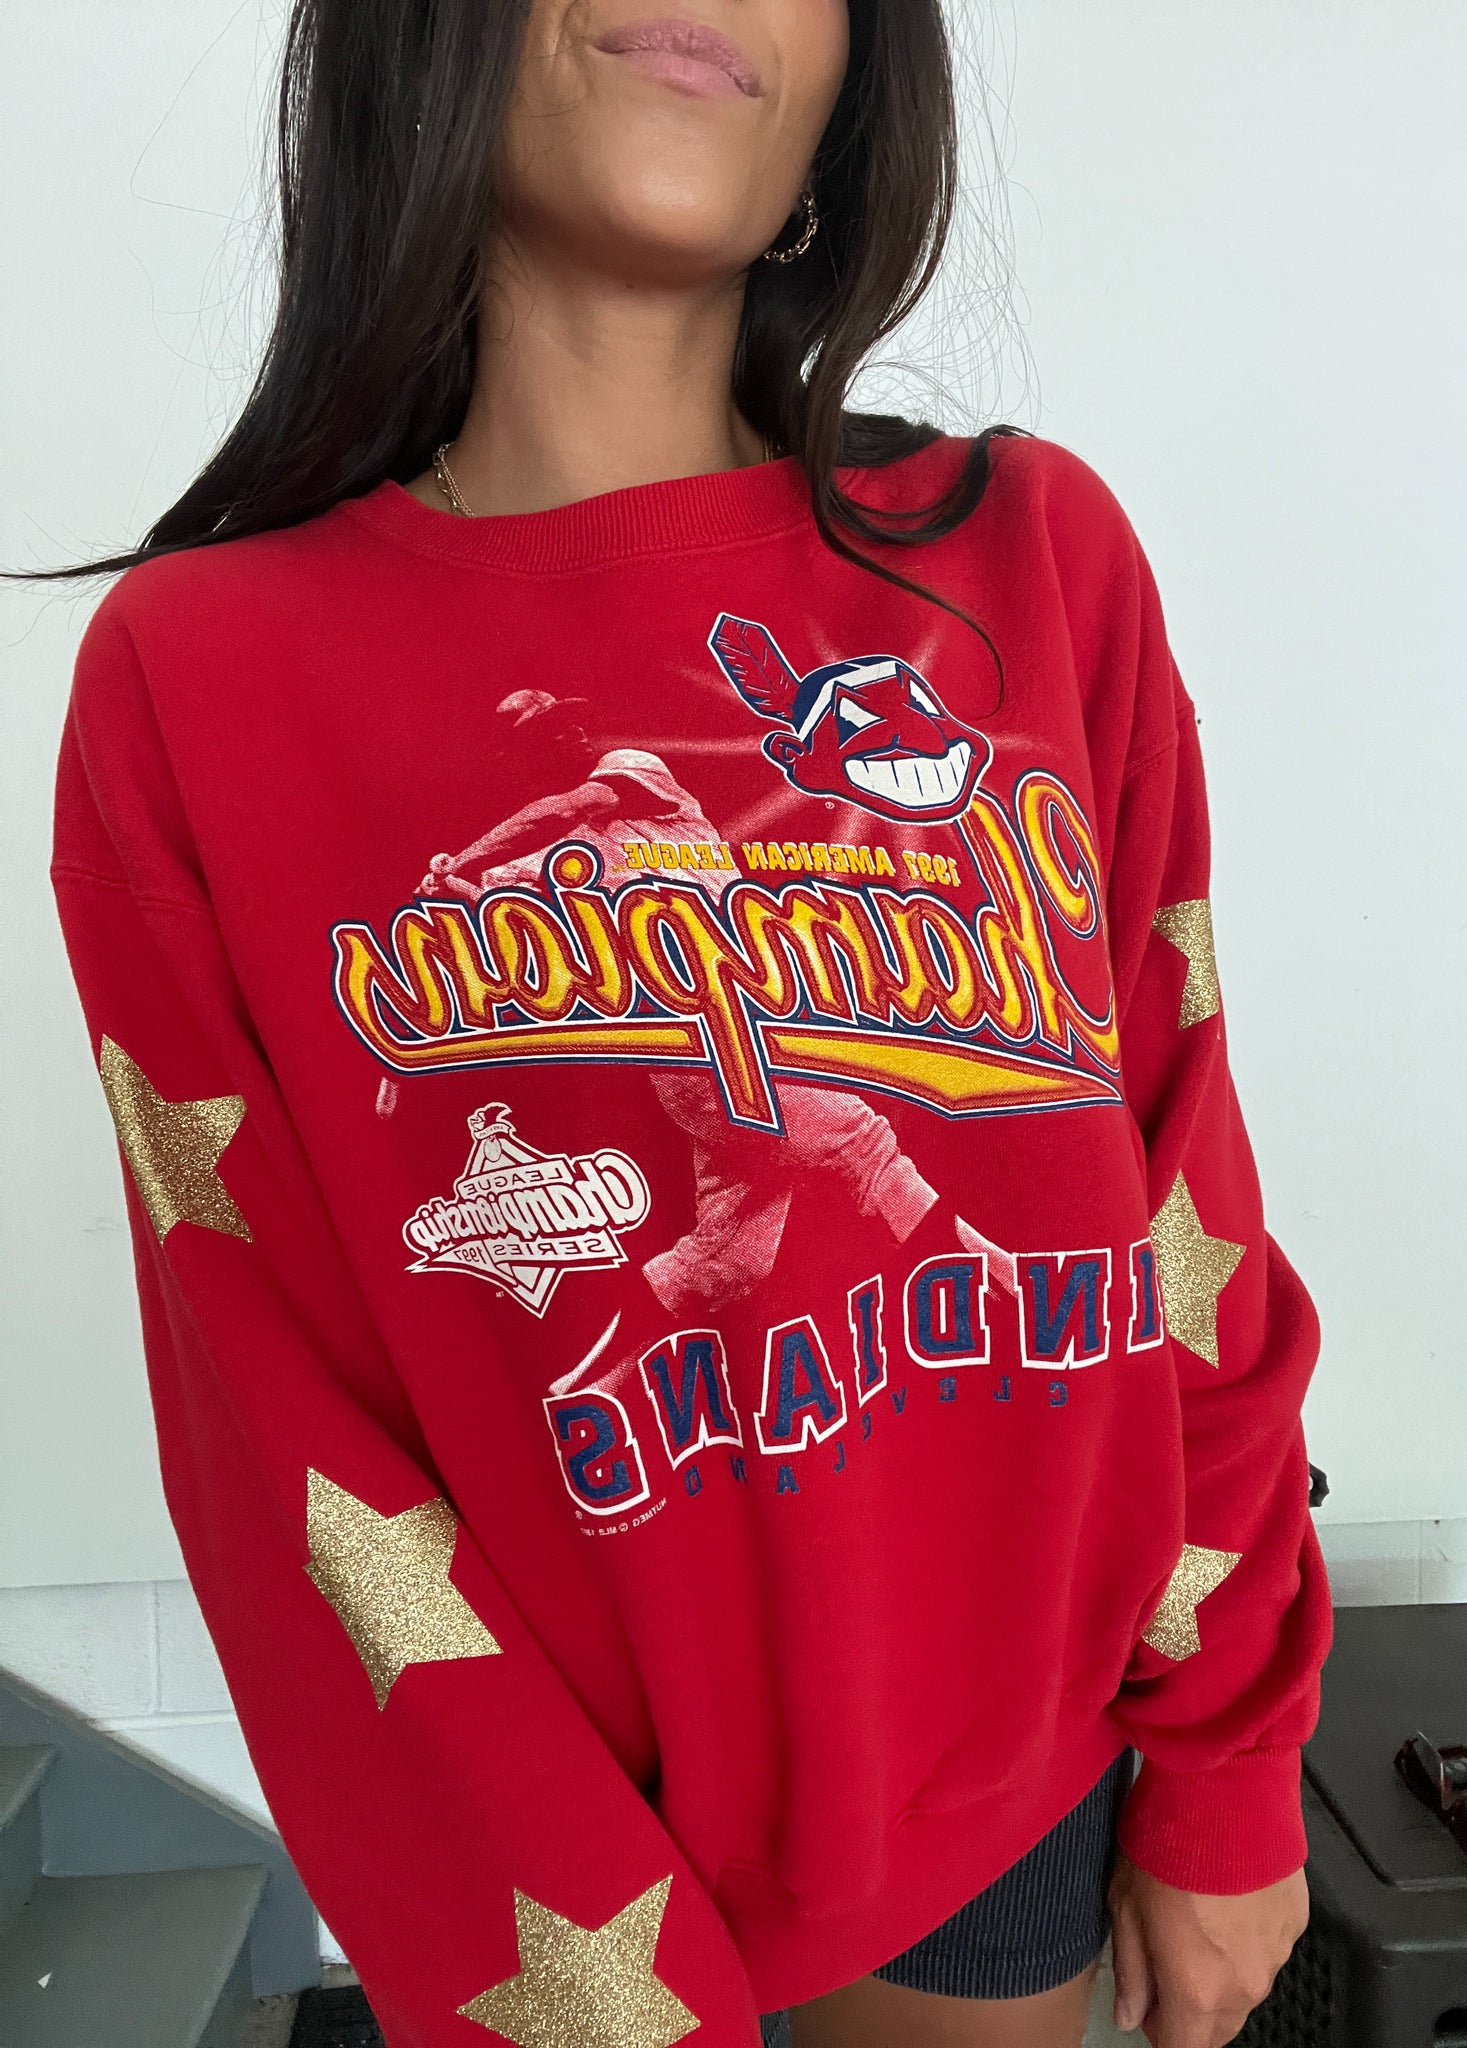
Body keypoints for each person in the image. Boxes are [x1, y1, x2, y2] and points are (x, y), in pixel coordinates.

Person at [29, 0, 1332, 2041]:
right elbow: (279, 1433)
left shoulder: (1026, 558)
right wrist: (582, 1981)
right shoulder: (200, 678)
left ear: (846, 104)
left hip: (1003, 1800)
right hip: (543, 1842)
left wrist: (1235, 1749)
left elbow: (1186, 1197)